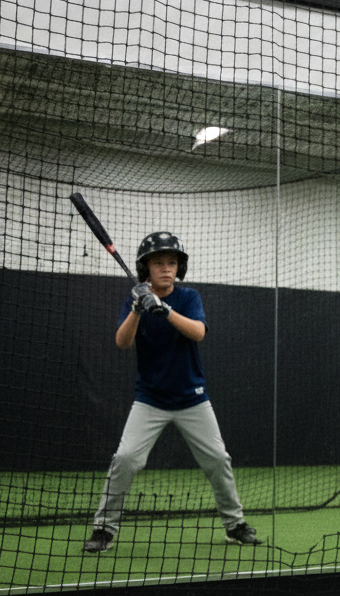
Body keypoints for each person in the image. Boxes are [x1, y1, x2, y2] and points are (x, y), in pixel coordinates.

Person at [83, 231, 260, 552]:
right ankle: (104, 530)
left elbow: (198, 333)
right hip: (150, 399)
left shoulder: (189, 297)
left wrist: (163, 309)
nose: (166, 268)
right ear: (146, 268)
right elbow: (122, 342)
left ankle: (235, 525)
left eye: (172, 263)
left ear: (179, 268)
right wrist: (138, 308)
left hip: (192, 398)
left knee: (218, 460)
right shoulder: (134, 299)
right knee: (124, 459)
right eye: (158, 263)